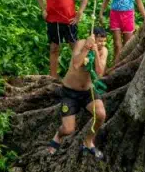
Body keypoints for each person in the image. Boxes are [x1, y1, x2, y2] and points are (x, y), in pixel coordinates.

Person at [45, 27, 109, 160]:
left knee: (101, 115)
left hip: (87, 92)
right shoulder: (81, 43)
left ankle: (89, 141)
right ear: (92, 37)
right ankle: (58, 135)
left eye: (104, 42)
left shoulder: (103, 51)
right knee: (68, 130)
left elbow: (99, 73)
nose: (102, 44)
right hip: (70, 92)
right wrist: (86, 48)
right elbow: (76, 64)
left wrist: (96, 51)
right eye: (99, 41)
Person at [36, 0, 88, 78]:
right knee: (54, 48)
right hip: (53, 21)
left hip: (69, 20)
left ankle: (79, 74)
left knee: (74, 47)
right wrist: (43, 9)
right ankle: (53, 77)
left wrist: (79, 13)